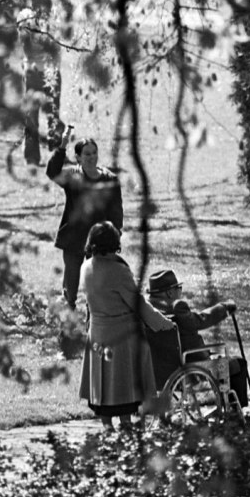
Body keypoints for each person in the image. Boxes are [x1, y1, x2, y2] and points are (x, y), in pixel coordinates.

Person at [78, 222, 175, 431]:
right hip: (121, 335)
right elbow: (137, 303)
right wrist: (162, 323)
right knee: (122, 385)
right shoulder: (118, 271)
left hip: (96, 331)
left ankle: (107, 428)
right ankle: (126, 426)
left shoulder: (86, 267)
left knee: (103, 386)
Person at [145, 269, 250, 408]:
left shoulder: (147, 312)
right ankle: (234, 412)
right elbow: (200, 320)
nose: (180, 292)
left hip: (158, 374)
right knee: (239, 363)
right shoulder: (176, 307)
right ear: (170, 292)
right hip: (191, 367)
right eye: (178, 288)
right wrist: (224, 308)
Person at [46, 129, 123, 309]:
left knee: (96, 288)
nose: (92, 157)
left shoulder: (110, 179)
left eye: (94, 153)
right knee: (70, 290)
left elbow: (116, 212)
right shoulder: (73, 175)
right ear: (78, 157)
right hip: (74, 240)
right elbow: (52, 172)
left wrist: (115, 235)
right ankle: (68, 326)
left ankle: (94, 326)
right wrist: (62, 146)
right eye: (87, 154)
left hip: (99, 242)